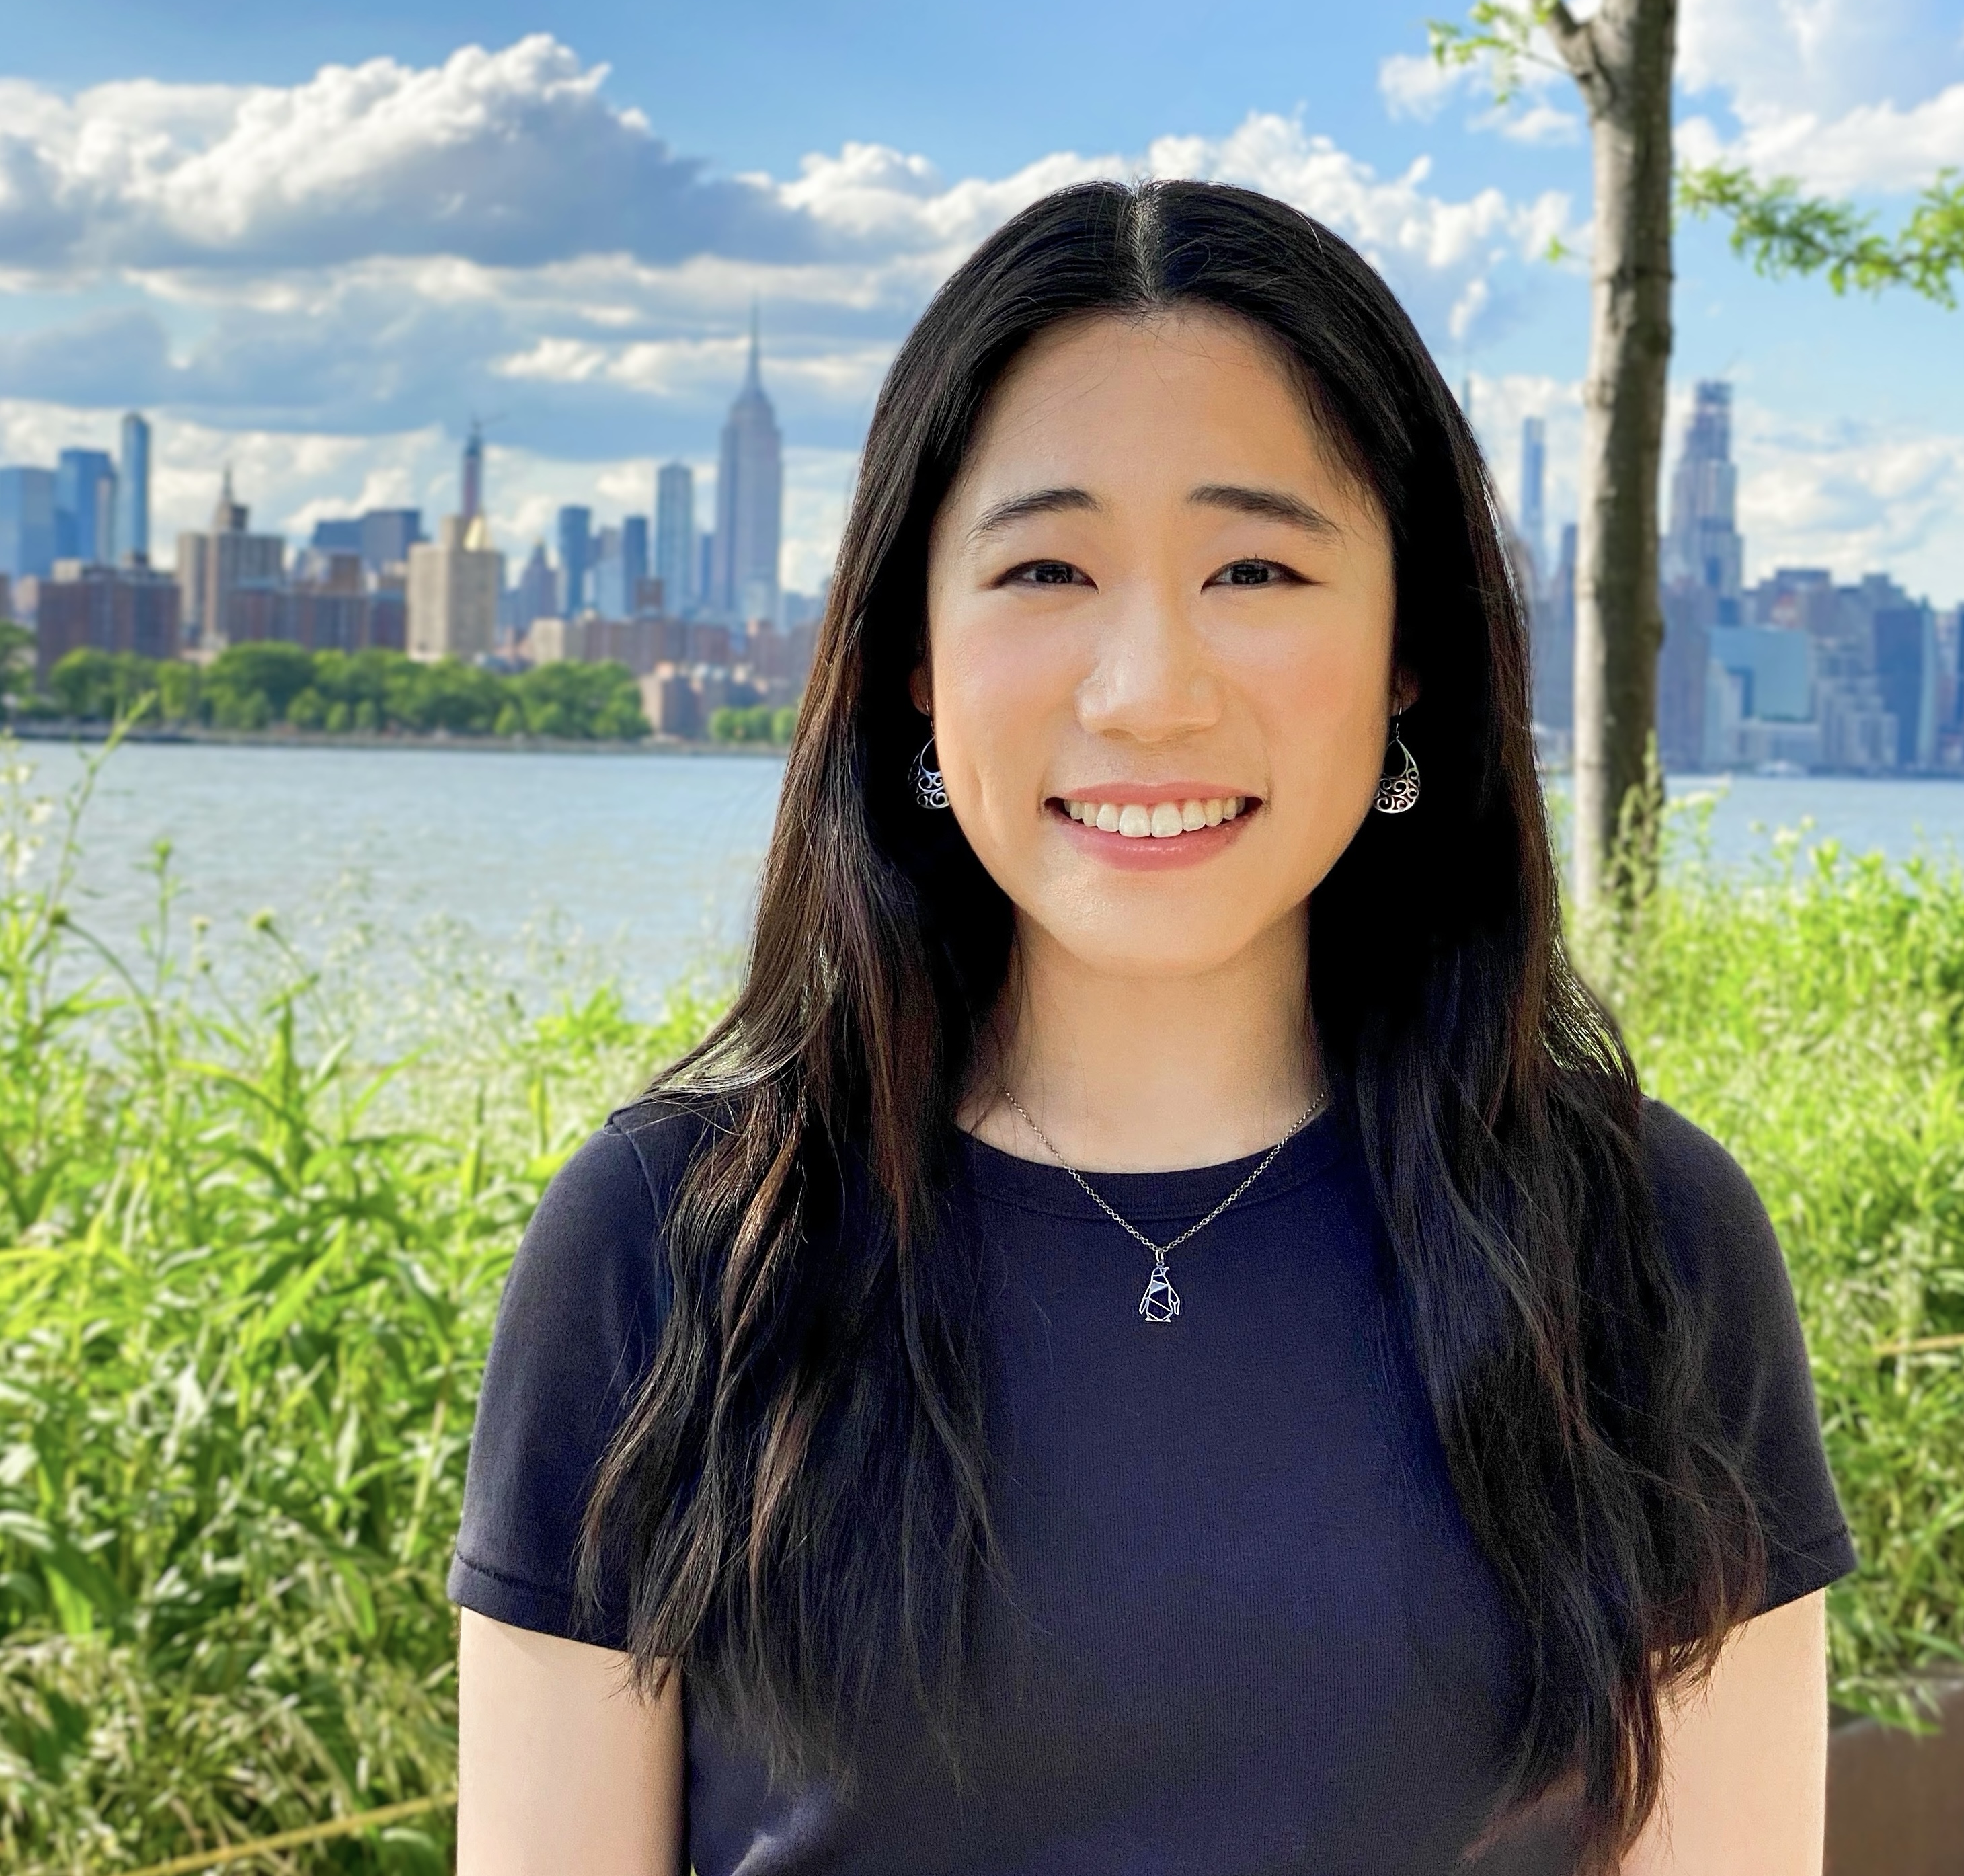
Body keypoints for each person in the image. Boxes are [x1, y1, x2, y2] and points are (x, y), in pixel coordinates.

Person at [449, 181, 1856, 1875]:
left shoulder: (1646, 1244)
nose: (1147, 690)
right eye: (1046, 566)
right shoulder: (676, 1246)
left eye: (1254, 565)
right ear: (912, 649)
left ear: (1411, 645)